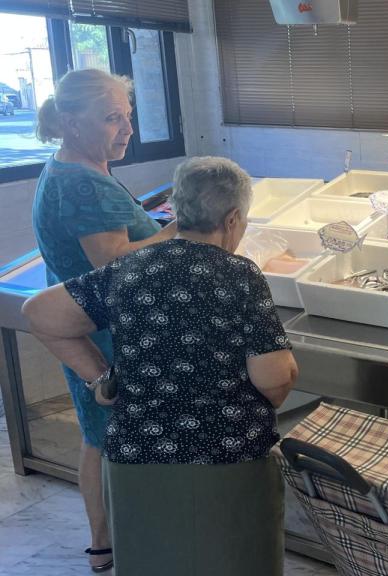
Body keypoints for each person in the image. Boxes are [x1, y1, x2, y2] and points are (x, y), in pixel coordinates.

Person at [22, 156, 298, 576]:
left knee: (151, 561)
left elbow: (40, 312)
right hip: (229, 458)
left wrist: (100, 378)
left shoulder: (128, 268)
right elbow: (273, 379)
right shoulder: (239, 274)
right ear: (233, 219)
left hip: (137, 458)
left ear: (177, 209)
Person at [31, 67, 178, 573]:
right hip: (107, 335)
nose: (127, 128)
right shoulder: (83, 184)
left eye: (129, 116)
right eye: (112, 118)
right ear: (72, 122)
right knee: (113, 436)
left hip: (90, 324)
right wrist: (183, 230)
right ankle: (127, 540)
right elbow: (115, 262)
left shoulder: (74, 167)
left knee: (101, 435)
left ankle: (104, 543)